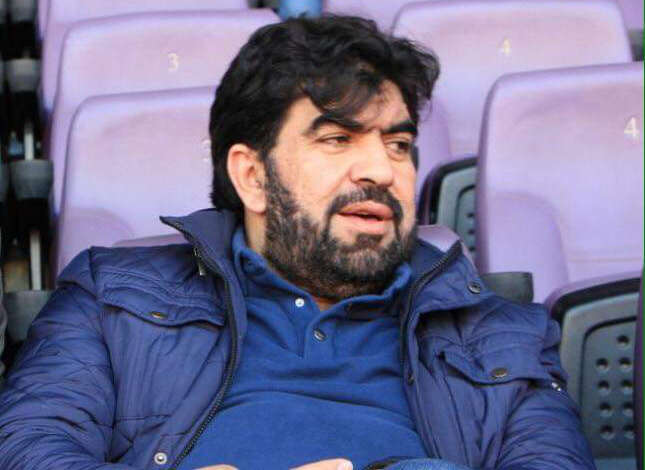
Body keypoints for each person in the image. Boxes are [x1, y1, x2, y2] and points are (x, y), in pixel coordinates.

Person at [0, 15, 594, 470]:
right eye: (338, 139)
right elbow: (26, 448)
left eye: (398, 145)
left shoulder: (498, 333)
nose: (382, 170)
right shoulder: (111, 298)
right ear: (252, 176)